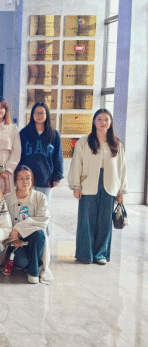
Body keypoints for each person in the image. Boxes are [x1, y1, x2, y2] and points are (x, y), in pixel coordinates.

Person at [68, 109, 127, 265]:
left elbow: (122, 168)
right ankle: (85, 254)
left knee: (105, 222)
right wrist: (76, 185)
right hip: (88, 183)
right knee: (86, 220)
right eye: (99, 119)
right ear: (94, 122)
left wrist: (121, 190)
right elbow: (76, 164)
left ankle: (101, 254)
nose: (103, 122)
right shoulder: (84, 142)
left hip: (110, 184)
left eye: (106, 119)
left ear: (111, 122)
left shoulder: (117, 144)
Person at [3, 165, 51, 284]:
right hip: (15, 242)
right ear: (15, 181)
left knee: (39, 233)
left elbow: (42, 220)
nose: (25, 181)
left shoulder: (40, 197)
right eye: (21, 178)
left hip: (35, 241)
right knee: (22, 261)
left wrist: (19, 228)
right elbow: (2, 223)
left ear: (32, 180)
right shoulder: (6, 199)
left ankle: (33, 271)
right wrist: (14, 239)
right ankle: (33, 264)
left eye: (28, 178)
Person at [19, 102, 64, 204]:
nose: (39, 116)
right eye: (36, 113)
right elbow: (20, 155)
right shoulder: (24, 133)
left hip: (46, 178)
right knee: (26, 207)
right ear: (32, 115)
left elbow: (58, 156)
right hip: (26, 178)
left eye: (42, 113)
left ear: (47, 115)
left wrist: (58, 177)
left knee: (43, 207)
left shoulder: (54, 134)